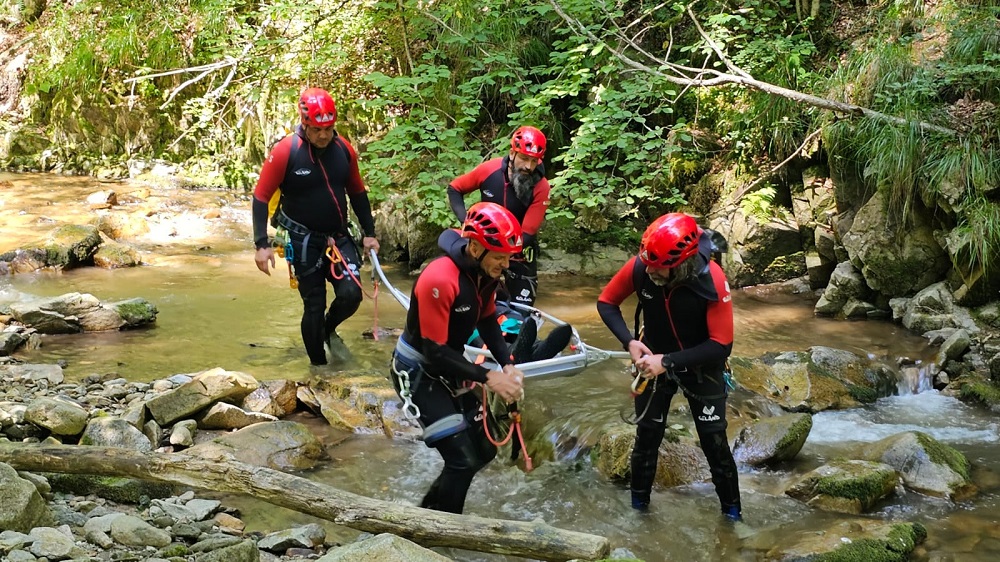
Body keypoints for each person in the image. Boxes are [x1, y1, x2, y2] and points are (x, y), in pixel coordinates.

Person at [596, 212, 742, 522]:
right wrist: (629, 342)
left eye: (658, 267)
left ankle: (733, 518)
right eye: (647, 262)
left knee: (714, 444)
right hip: (652, 359)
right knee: (647, 437)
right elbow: (607, 302)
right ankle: (638, 514)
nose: (649, 270)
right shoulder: (642, 266)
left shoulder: (712, 279)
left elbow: (721, 344)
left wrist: (668, 362)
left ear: (682, 263)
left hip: (703, 364)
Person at [389, 202, 525, 514]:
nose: (506, 264)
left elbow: (488, 320)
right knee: (462, 460)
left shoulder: (485, 274)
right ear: (476, 248)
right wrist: (490, 377)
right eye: (500, 256)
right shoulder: (440, 279)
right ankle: (442, 531)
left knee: (484, 450)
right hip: (418, 370)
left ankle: (428, 516)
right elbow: (434, 352)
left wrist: (508, 364)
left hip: (449, 365)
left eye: (509, 257)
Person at [252, 87, 380, 366]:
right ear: (305, 124)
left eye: (329, 129)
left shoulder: (343, 150)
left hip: (338, 236)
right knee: (314, 304)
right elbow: (261, 195)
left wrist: (369, 234)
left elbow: (357, 192)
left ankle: (327, 329)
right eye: (317, 130)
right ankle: (319, 371)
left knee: (351, 294)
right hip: (302, 240)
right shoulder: (287, 151)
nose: (323, 136)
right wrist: (261, 245)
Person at [447, 126, 550, 307]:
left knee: (521, 311)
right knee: (472, 304)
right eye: (524, 158)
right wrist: (467, 225)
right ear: (512, 153)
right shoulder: (490, 170)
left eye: (534, 161)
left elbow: (527, 233)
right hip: (484, 250)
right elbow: (455, 188)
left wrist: (502, 256)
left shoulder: (541, 187)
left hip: (519, 253)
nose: (528, 166)